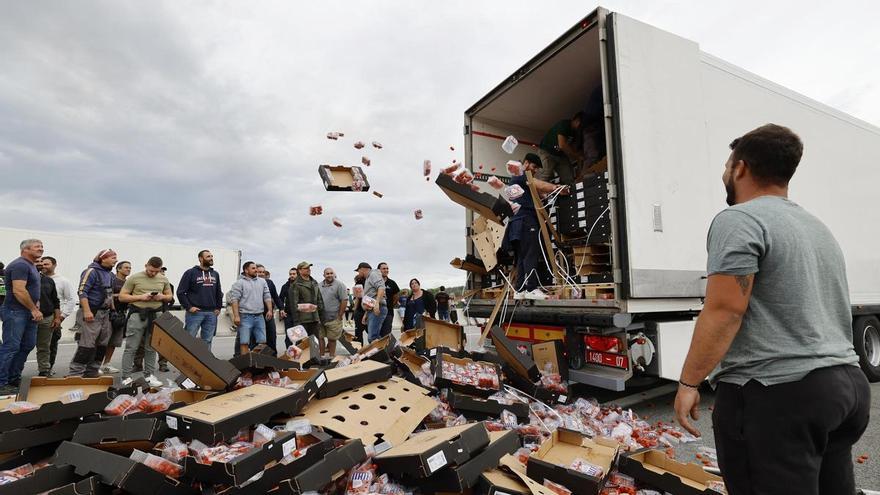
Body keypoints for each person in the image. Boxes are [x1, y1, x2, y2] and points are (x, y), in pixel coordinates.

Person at [673, 124, 870, 495]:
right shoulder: (815, 226)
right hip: (845, 387)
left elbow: (726, 310)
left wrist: (688, 383)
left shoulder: (739, 219)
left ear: (741, 168)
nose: (725, 173)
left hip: (778, 395)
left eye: (727, 165)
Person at [505, 153, 568, 299]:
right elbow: (538, 184)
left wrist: (543, 195)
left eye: (537, 169)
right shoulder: (522, 175)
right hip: (526, 221)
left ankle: (520, 290)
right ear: (526, 163)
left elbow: (534, 191)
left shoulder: (514, 180)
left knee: (521, 257)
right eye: (534, 167)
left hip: (516, 225)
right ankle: (531, 288)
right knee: (531, 254)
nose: (534, 170)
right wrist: (557, 188)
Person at [118, 256, 172, 387]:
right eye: (151, 270)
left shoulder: (163, 279)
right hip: (138, 314)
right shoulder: (134, 278)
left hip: (156, 314)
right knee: (131, 347)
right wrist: (141, 297)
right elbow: (122, 297)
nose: (153, 273)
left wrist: (162, 297)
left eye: (156, 271)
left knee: (151, 347)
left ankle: (149, 375)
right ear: (146, 265)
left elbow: (170, 296)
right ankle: (126, 376)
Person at [0, 239, 43, 394]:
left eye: (42, 246)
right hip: (15, 311)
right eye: (37, 247)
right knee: (11, 347)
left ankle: (13, 378)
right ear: (25, 249)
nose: (41, 249)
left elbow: (32, 289)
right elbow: (19, 290)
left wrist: (36, 304)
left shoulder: (31, 266)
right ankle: (1, 382)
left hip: (27, 312)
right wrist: (33, 309)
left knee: (27, 345)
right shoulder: (20, 265)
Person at [70, 249, 117, 379]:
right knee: (86, 345)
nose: (116, 260)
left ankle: (92, 372)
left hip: (105, 314)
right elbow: (82, 292)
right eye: (113, 257)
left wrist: (113, 311)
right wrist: (86, 311)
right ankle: (75, 374)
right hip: (92, 313)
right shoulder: (91, 272)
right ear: (103, 258)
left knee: (102, 344)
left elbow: (110, 294)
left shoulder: (110, 275)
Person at [177, 250, 223, 346]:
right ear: (200, 259)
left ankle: (204, 361)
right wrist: (189, 307)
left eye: (211, 256)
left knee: (207, 341)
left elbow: (218, 292)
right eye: (208, 257)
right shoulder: (190, 273)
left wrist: (218, 307)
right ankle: (187, 361)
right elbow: (180, 292)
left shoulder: (215, 274)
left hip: (211, 313)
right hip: (195, 313)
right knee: (188, 340)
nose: (211, 258)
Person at [227, 261, 273, 356]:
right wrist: (236, 316)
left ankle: (259, 365)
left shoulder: (262, 281)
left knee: (262, 341)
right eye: (253, 268)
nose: (256, 270)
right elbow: (234, 300)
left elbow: (267, 296)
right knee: (244, 342)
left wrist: (270, 310)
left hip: (259, 316)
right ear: (246, 270)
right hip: (245, 316)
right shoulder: (239, 283)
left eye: (256, 268)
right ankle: (246, 365)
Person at [41, 256, 76, 373]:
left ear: (54, 265)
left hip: (54, 318)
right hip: (36, 317)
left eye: (47, 264)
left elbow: (71, 300)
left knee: (51, 344)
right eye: (42, 264)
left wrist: (61, 317)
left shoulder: (63, 281)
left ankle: (47, 369)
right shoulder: (35, 278)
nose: (44, 266)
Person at [97, 260, 130, 374]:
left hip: (122, 314)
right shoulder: (112, 279)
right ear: (118, 269)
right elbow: (106, 294)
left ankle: (106, 364)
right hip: (109, 313)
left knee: (114, 342)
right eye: (126, 267)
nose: (128, 269)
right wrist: (120, 296)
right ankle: (96, 365)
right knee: (103, 340)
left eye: (130, 268)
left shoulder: (129, 282)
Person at [536, 111, 583, 184]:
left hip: (561, 155)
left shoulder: (576, 133)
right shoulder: (565, 124)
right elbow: (562, 145)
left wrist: (578, 157)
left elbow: (573, 149)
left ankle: (569, 193)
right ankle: (536, 193)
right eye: (581, 123)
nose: (581, 127)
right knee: (545, 175)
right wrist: (576, 155)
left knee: (569, 177)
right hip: (547, 152)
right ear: (576, 120)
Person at [34, 258, 61, 377]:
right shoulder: (22, 278)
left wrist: (57, 318)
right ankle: (13, 373)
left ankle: (44, 371)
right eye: (37, 261)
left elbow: (55, 301)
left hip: (47, 318)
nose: (40, 264)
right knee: (22, 346)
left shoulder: (48, 281)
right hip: (27, 318)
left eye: (42, 262)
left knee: (44, 346)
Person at [289, 262, 325, 346]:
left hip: (315, 318)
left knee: (315, 341)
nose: (309, 270)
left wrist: (321, 316)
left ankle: (315, 358)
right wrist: (296, 322)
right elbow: (294, 304)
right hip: (302, 320)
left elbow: (319, 299)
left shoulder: (314, 282)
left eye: (309, 268)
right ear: (300, 270)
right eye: (306, 268)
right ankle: (304, 359)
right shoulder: (296, 285)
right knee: (302, 343)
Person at [318, 267, 347, 357]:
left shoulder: (340, 285)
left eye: (331, 273)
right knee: (320, 338)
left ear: (334, 274)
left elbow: (344, 300)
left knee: (332, 339)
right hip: (320, 318)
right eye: (327, 273)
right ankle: (321, 356)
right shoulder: (319, 285)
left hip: (334, 317)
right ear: (324, 275)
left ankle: (331, 357)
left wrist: (340, 316)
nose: (329, 275)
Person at [355, 262, 386, 342]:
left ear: (362, 269)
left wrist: (376, 304)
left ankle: (389, 352)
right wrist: (366, 314)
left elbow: (381, 287)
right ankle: (386, 353)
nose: (358, 273)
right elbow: (371, 297)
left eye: (358, 271)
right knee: (374, 337)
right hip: (371, 310)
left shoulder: (373, 274)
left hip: (377, 309)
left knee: (373, 337)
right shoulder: (368, 278)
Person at [257, 264, 280, 355]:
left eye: (263, 272)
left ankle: (273, 359)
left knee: (272, 336)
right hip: (256, 315)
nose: (262, 274)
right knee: (258, 339)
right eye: (259, 272)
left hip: (268, 314)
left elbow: (276, 297)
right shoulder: (251, 283)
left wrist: (281, 308)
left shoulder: (270, 283)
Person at [377, 262, 399, 338]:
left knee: (386, 335)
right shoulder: (374, 282)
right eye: (384, 268)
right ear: (378, 270)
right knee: (376, 335)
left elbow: (396, 297)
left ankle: (386, 350)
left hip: (388, 313)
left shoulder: (392, 283)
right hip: (376, 313)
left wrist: (389, 305)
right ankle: (378, 350)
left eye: (387, 268)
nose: (386, 270)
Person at [279, 267, 297, 347]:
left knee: (300, 336)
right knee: (289, 336)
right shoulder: (285, 286)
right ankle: (289, 354)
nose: (292, 275)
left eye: (294, 274)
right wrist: (281, 309)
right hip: (288, 315)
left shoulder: (301, 285)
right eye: (290, 274)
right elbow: (280, 299)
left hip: (300, 315)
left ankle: (302, 356)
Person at [352, 273, 366, 343]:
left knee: (358, 331)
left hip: (360, 310)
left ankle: (359, 348)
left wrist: (355, 309)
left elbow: (358, 298)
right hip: (369, 309)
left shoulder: (358, 284)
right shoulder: (369, 284)